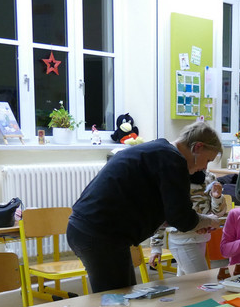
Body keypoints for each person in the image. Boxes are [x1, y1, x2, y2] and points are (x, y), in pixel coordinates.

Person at [67, 121, 223, 293]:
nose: (205, 167)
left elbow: (168, 213)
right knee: (116, 299)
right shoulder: (173, 160)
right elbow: (182, 218)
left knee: (124, 294)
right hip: (98, 233)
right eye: (207, 160)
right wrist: (209, 221)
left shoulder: (161, 152)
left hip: (92, 230)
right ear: (198, 147)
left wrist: (195, 223)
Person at [147, 169, 228, 275]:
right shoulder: (173, 177)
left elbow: (217, 213)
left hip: (201, 238)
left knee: (185, 280)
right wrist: (156, 247)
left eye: (209, 161)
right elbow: (161, 214)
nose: (205, 165)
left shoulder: (209, 177)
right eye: (206, 160)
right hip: (182, 240)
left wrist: (217, 197)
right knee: (202, 279)